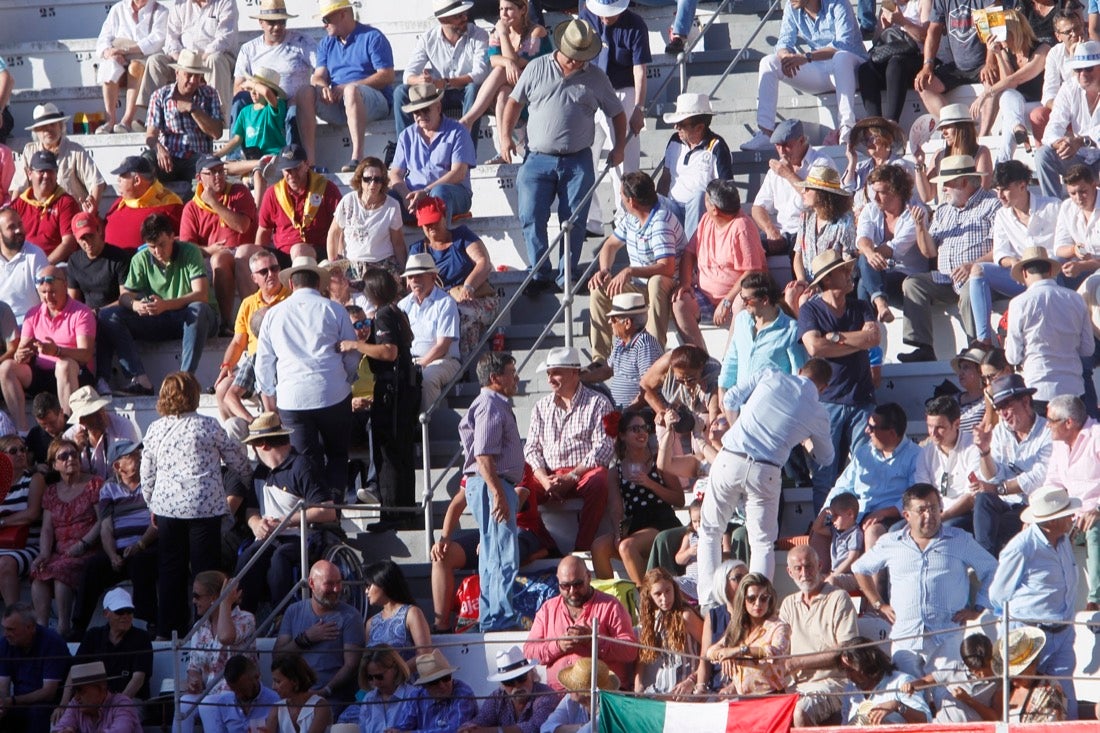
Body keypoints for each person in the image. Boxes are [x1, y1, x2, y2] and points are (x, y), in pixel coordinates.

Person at [499, 18, 626, 293]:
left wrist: (619, 148)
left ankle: (565, 274)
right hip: (537, 157)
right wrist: (504, 136)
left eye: (584, 56)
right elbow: (513, 101)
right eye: (575, 56)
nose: (579, 61)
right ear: (563, 48)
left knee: (575, 220)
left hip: (578, 159)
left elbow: (617, 113)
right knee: (531, 214)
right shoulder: (536, 67)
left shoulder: (596, 77)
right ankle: (539, 271)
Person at [700, 360, 833, 600]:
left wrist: (740, 425)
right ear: (824, 388)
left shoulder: (769, 373)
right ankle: (757, 606)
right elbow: (826, 457)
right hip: (767, 470)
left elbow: (729, 400)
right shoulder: (818, 412)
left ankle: (709, 603)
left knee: (710, 530)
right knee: (762, 543)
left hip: (731, 457)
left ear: (800, 370)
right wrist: (805, 440)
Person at [141, 372, 251, 637]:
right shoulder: (209, 425)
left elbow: (147, 473)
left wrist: (152, 504)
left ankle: (169, 631)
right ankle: (208, 628)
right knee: (206, 572)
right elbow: (237, 460)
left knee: (170, 571)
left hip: (168, 510)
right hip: (205, 509)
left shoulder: (155, 429)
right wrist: (248, 478)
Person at [852, 483, 997, 678]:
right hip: (906, 638)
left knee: (947, 698)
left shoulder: (960, 540)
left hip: (948, 637)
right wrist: (879, 604)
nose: (929, 515)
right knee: (908, 699)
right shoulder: (891, 543)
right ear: (906, 515)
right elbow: (860, 569)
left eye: (933, 508)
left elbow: (993, 569)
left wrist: (979, 608)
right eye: (921, 510)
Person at [255, 255, 359, 502]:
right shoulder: (334, 309)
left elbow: (264, 364)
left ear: (291, 284)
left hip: (292, 398)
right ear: (318, 283)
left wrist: (270, 394)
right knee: (337, 455)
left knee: (306, 460)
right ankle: (333, 507)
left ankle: (317, 515)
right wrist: (347, 378)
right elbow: (351, 353)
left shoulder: (273, 314)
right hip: (333, 391)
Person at [96, 213, 219, 395]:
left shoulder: (190, 252)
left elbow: (201, 295)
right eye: (152, 247)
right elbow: (124, 296)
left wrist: (166, 305)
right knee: (108, 316)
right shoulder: (141, 258)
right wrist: (135, 305)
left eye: (162, 245)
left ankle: (184, 380)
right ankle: (139, 378)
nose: (158, 252)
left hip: (194, 319)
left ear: (172, 237)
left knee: (197, 310)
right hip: (160, 316)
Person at [796, 251, 879, 512]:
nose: (850, 274)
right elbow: (814, 347)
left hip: (860, 401)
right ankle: (824, 531)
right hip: (826, 404)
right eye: (844, 271)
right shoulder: (810, 309)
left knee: (867, 471)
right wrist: (856, 341)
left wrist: (832, 337)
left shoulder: (862, 306)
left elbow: (873, 339)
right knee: (824, 477)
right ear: (829, 278)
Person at [990, 484, 1080, 717]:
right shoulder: (1021, 548)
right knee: (1023, 700)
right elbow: (998, 595)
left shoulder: (1062, 540)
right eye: (1066, 514)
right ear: (1050, 521)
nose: (1072, 517)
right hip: (1029, 637)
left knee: (1066, 695)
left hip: (1062, 632)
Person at [900, 154, 1001, 361]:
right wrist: (920, 226)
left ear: (963, 182)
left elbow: (1001, 249)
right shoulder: (944, 210)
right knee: (913, 284)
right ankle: (923, 348)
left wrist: (973, 265)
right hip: (946, 278)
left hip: (980, 277)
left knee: (970, 289)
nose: (943, 189)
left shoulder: (992, 205)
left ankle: (977, 346)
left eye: (946, 183)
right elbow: (930, 252)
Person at [235, 412, 337, 613]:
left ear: (263, 444)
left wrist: (287, 521)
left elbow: (328, 511)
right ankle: (243, 613)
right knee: (248, 555)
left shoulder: (302, 466)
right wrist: (256, 523)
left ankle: (282, 614)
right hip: (269, 537)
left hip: (302, 537)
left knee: (279, 558)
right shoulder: (260, 473)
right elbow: (251, 510)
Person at [339, 268, 418, 526]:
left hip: (392, 390)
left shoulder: (384, 314)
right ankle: (404, 512)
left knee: (389, 453)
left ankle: (392, 515)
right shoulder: (397, 311)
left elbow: (389, 351)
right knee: (402, 452)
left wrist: (355, 345)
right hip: (405, 388)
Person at [455, 351, 527, 631]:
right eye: (512, 372)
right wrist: (497, 493)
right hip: (492, 483)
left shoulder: (491, 403)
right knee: (501, 552)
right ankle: (500, 617)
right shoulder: (491, 405)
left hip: (490, 484)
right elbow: (483, 455)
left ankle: (492, 616)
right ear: (496, 378)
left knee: (492, 553)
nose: (516, 377)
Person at [741, 0, 865, 150]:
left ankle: (847, 127)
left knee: (841, 57)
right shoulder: (791, 7)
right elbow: (783, 43)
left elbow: (843, 44)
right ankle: (766, 132)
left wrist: (806, 57)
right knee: (769, 62)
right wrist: (786, 57)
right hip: (820, 68)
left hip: (853, 69)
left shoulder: (838, 3)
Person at [524, 347, 614, 552]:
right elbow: (531, 449)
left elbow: (604, 448)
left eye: (555, 373)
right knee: (520, 489)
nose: (550, 379)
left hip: (581, 473)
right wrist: (545, 480)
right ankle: (546, 546)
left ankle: (582, 548)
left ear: (575, 373)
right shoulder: (541, 406)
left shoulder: (598, 402)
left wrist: (572, 476)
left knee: (599, 479)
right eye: (548, 373)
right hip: (549, 475)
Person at [588, 171, 683, 361]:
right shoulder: (632, 218)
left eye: (622, 195)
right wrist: (605, 270)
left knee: (656, 282)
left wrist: (630, 271)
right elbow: (610, 245)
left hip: (669, 286)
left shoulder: (660, 222)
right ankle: (600, 360)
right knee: (599, 290)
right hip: (640, 285)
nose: (621, 199)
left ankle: (652, 356)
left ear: (631, 201)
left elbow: (667, 267)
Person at [969, 161, 1060, 347]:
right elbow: (1000, 253)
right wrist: (1014, 263)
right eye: (997, 190)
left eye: (1004, 190)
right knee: (977, 271)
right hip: (1020, 275)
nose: (999, 196)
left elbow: (1065, 245)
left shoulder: (1053, 207)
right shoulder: (1002, 215)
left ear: (1022, 186)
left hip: (1053, 275)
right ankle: (983, 340)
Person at [577, 0, 650, 229]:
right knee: (584, 155)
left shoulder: (636, 24)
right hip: (590, 88)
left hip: (621, 90)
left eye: (609, 14)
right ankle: (592, 217)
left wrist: (638, 107)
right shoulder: (586, 16)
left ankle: (625, 212)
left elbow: (640, 70)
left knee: (625, 158)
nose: (605, 18)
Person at [70, 441, 156, 635]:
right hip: (119, 549)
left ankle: (149, 622)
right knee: (93, 567)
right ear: (118, 466)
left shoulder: (152, 482)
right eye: (132, 456)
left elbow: (156, 521)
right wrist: (111, 555)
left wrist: (140, 545)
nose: (140, 457)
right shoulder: (109, 488)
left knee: (141, 562)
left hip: (146, 545)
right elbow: (106, 525)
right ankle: (78, 626)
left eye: (138, 453)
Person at [591, 408, 684, 587]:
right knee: (599, 546)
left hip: (661, 523)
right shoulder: (615, 471)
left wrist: (650, 484)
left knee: (627, 547)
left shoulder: (658, 461)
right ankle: (611, 601)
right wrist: (618, 532)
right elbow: (616, 508)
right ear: (623, 435)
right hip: (635, 525)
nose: (642, 433)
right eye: (635, 429)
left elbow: (679, 499)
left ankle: (645, 602)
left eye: (644, 428)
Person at [815, 402, 920, 555]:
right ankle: (824, 579)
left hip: (892, 517)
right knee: (818, 533)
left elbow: (915, 498)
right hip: (857, 514)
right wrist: (827, 512)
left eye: (872, 428)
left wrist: (885, 512)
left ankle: (873, 580)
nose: (866, 431)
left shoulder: (916, 456)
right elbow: (843, 486)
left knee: (872, 532)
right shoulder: (863, 453)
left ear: (891, 433)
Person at [0, 265, 95, 434]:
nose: (48, 297)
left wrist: (57, 351)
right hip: (42, 373)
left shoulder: (82, 313)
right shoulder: (33, 314)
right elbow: (23, 348)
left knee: (64, 365)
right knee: (6, 368)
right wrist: (21, 355)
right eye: (43, 293)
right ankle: (22, 431)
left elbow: (85, 353)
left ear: (65, 286)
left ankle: (68, 429)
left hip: (74, 374)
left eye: (52, 292)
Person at [672, 179, 765, 350]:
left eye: (706, 199)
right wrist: (685, 283)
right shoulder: (706, 220)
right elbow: (689, 253)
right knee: (680, 302)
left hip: (735, 296)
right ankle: (701, 360)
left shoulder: (742, 226)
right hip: (706, 295)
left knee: (741, 304)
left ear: (714, 208)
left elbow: (752, 271)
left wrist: (727, 302)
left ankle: (730, 362)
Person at [523, 556, 638, 690]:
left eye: (577, 584)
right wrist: (558, 646)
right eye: (565, 586)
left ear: (588, 577)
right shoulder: (548, 609)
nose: (572, 592)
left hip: (601, 694)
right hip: (557, 695)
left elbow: (630, 651)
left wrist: (594, 641)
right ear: (558, 582)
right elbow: (529, 652)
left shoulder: (611, 606)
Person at [972, 373, 1053, 555]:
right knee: (983, 501)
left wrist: (998, 489)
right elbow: (992, 476)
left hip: (1033, 506)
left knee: (995, 524)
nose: (1002, 413)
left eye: (1006, 405)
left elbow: (1038, 477)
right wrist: (984, 451)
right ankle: (985, 564)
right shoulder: (1001, 431)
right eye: (998, 408)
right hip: (1005, 505)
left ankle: (987, 565)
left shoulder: (1048, 431)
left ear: (1025, 402)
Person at [29, 438, 103, 639]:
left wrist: (83, 544)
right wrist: (44, 553)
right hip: (60, 552)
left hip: (88, 550)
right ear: (54, 464)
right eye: (64, 456)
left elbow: (102, 520)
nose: (71, 458)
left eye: (74, 454)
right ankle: (42, 629)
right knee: (39, 573)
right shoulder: (51, 492)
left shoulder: (94, 484)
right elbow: (46, 529)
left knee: (60, 573)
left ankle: (63, 628)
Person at [778, 546, 859, 727]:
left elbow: (845, 650)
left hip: (832, 682)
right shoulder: (788, 604)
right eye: (798, 568)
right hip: (795, 684)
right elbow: (778, 647)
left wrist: (796, 663)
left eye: (809, 566)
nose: (804, 573)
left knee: (800, 712)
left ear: (820, 566)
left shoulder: (838, 598)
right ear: (789, 572)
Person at [458, 0, 550, 160]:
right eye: (501, 9)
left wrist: (504, 35)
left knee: (502, 69)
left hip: (537, 89)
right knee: (502, 93)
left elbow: (517, 62)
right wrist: (507, 62)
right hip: (514, 91)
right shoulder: (497, 31)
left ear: (522, 10)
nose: (503, 14)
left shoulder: (536, 32)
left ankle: (469, 118)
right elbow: (493, 59)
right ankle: (504, 148)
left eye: (509, 9)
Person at [408, 196, 498, 358]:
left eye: (435, 221)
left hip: (473, 298)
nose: (431, 227)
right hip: (438, 304)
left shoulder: (462, 236)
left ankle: (459, 364)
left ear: (444, 217)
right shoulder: (418, 249)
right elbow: (411, 281)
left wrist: (468, 286)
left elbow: (483, 263)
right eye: (427, 224)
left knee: (459, 315)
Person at [311, 0, 395, 171]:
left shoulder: (372, 36)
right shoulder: (326, 43)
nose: (324, 25)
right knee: (305, 93)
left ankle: (357, 156)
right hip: (339, 102)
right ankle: (309, 163)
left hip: (373, 102)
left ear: (342, 14)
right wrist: (323, 86)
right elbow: (318, 76)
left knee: (351, 90)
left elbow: (387, 75)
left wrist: (348, 87)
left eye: (326, 19)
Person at [231, 0, 319, 163]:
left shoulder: (302, 42)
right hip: (260, 104)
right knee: (238, 101)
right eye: (272, 22)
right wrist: (259, 101)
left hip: (293, 102)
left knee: (292, 112)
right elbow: (238, 86)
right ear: (261, 23)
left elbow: (320, 70)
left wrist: (300, 96)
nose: (277, 27)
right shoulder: (249, 49)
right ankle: (236, 157)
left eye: (282, 21)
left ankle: (294, 161)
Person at [179, 155, 260, 328]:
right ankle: (226, 323)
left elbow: (241, 226)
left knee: (229, 257)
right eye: (212, 172)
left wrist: (215, 204)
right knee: (218, 259)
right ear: (199, 178)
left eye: (220, 171)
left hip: (244, 252)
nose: (218, 176)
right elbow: (186, 245)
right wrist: (208, 250)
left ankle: (252, 320)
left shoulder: (239, 192)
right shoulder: (192, 208)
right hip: (213, 257)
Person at [1006, 246, 1094, 404]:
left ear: (1025, 273)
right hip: (1073, 388)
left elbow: (1013, 356)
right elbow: (1088, 349)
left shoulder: (1018, 303)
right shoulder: (1075, 299)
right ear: (1049, 271)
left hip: (1038, 387)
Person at [395, 0, 489, 144]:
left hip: (465, 92)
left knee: (473, 89)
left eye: (465, 14)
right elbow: (408, 75)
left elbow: (480, 74)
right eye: (458, 16)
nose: (465, 18)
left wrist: (445, 82)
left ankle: (467, 152)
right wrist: (420, 80)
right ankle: (406, 150)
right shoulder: (428, 38)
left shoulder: (479, 34)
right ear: (442, 20)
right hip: (438, 94)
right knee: (401, 92)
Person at [214, 249, 290, 423]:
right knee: (222, 389)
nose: (271, 274)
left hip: (283, 361)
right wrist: (227, 365)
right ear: (254, 278)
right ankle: (239, 441)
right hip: (255, 362)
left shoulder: (290, 298)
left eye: (275, 268)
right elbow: (238, 342)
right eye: (264, 271)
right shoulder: (248, 304)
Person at [275, 560, 366, 704]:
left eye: (339, 582)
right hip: (295, 698)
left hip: (333, 699)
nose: (337, 589)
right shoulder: (294, 611)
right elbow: (278, 657)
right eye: (329, 584)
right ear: (311, 583)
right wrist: (305, 639)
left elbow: (351, 665)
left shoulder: (351, 616)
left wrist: (324, 691)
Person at [1043, 396, 1100, 616]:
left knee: (1095, 529)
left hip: (1095, 512)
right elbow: (1052, 482)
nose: (1047, 424)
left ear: (1069, 423)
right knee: (1038, 532)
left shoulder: (1096, 437)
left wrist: (1097, 508)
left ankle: (1095, 599)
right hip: (1072, 516)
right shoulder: (1058, 445)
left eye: (1051, 420)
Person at [390, 85, 476, 230]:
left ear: (438, 107)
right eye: (417, 111)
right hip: (413, 199)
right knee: (386, 198)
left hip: (451, 193)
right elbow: (395, 173)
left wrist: (426, 191)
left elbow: (459, 173)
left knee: (439, 194)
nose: (421, 115)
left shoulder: (458, 132)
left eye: (426, 109)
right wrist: (406, 196)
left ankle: (440, 246)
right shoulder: (406, 135)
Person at [134, 0, 238, 119]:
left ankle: (218, 118)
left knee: (215, 60)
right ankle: (150, 117)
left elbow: (224, 39)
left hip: (215, 57)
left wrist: (198, 61)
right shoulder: (180, 4)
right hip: (184, 58)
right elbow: (171, 39)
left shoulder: (225, 2)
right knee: (155, 61)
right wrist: (183, 61)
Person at [854, 164, 928, 323]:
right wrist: (869, 252)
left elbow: (895, 248)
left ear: (896, 191)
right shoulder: (870, 209)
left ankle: (867, 332)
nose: (875, 197)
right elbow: (862, 238)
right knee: (864, 263)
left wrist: (869, 254)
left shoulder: (915, 213)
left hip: (909, 277)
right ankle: (879, 307)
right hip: (881, 274)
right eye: (874, 192)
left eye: (881, 192)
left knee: (864, 277)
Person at [976, 9, 1049, 160]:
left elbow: (1016, 79)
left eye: (1002, 33)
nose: (1000, 39)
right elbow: (1008, 86)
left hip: (1041, 108)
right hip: (1018, 112)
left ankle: (1003, 163)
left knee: (1009, 114)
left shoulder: (1042, 49)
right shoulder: (1006, 52)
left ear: (1016, 31)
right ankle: (1016, 132)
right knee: (1008, 96)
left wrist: (985, 94)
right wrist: (998, 54)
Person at [657, 94, 734, 238]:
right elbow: (665, 177)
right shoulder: (674, 141)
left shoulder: (717, 147)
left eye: (681, 124)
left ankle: (691, 249)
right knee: (651, 199)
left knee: (700, 196)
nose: (676, 127)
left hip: (703, 214)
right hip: (673, 207)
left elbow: (727, 191)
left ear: (699, 128)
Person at [144, 49, 225, 182]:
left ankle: (190, 202)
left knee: (206, 172)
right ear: (177, 73)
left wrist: (193, 109)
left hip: (198, 158)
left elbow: (217, 133)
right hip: (169, 157)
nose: (193, 81)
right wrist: (159, 149)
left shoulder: (210, 94)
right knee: (145, 160)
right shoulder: (160, 96)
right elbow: (150, 135)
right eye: (188, 75)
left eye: (197, 76)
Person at [718, 271, 805, 392]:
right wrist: (722, 388)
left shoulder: (791, 330)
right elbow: (732, 358)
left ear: (764, 300)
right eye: (742, 297)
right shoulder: (741, 320)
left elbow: (799, 375)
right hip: (741, 405)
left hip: (773, 406)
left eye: (747, 299)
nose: (743, 303)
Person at [704, 573, 790, 696]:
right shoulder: (737, 626)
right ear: (743, 599)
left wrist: (739, 651)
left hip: (771, 696)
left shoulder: (779, 626)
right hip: (743, 699)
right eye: (751, 598)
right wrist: (725, 655)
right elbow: (710, 652)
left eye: (764, 598)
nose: (758, 604)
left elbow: (775, 653)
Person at [396, 252, 461, 414]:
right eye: (410, 277)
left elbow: (442, 346)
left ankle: (427, 431)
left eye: (419, 276)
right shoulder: (402, 305)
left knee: (426, 379)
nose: (414, 280)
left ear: (433, 276)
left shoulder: (446, 303)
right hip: (411, 361)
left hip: (444, 361)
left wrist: (420, 364)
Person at [256, 144, 342, 265]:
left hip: (318, 253)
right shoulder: (273, 193)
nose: (291, 174)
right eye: (287, 170)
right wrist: (258, 259)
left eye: (296, 168)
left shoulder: (326, 189)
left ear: (306, 165)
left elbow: (341, 227)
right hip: (283, 255)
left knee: (299, 250)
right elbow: (263, 231)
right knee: (246, 253)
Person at [787, 164, 856, 313]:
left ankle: (808, 334)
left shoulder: (845, 222)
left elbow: (848, 264)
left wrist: (822, 284)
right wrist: (802, 281)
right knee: (790, 295)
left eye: (808, 189)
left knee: (804, 300)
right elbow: (798, 254)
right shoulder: (805, 217)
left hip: (833, 283)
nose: (803, 192)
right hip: (808, 281)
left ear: (822, 194)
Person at [10, 104, 105, 213]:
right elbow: (18, 187)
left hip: (72, 216)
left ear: (61, 126)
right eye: (43, 127)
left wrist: (90, 212)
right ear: (36, 131)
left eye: (52, 125)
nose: (48, 130)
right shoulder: (29, 151)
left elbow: (97, 182)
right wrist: (13, 215)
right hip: (39, 217)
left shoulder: (75, 151)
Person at [1036, 40, 1100, 198]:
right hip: (1079, 158)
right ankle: (1053, 207)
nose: (1083, 74)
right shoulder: (1069, 87)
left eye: (1089, 68)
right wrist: (1061, 143)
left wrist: (1080, 141)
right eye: (1078, 69)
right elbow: (1052, 128)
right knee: (1043, 154)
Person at [70, 588, 154, 705]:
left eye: (129, 611)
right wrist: (63, 704)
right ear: (106, 613)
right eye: (119, 612)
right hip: (93, 700)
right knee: (62, 719)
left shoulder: (142, 638)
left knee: (123, 718)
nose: (125, 616)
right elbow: (75, 671)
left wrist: (115, 707)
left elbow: (138, 679)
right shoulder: (93, 635)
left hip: (129, 700)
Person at [326, 157, 406, 280]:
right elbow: (333, 233)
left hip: (382, 266)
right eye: (367, 179)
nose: (372, 184)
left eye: (377, 180)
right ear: (360, 180)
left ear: (383, 181)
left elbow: (398, 243)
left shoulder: (392, 205)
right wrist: (333, 265)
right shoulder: (348, 201)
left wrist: (403, 271)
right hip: (351, 265)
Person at [857, 0, 931, 126]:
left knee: (896, 64)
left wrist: (903, 22)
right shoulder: (888, 3)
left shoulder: (923, 2)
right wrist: (883, 27)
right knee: (865, 69)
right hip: (891, 57)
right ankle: (875, 126)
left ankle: (891, 124)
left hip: (916, 58)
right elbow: (876, 43)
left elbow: (926, 37)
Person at [97, 0, 168, 131]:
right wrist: (110, 53)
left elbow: (157, 40)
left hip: (143, 56)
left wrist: (126, 50)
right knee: (109, 65)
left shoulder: (161, 11)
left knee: (135, 67)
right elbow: (104, 37)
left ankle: (127, 120)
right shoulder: (118, 9)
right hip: (119, 55)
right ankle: (110, 120)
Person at [0, 602, 70, 733]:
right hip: (19, 704)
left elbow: (48, 693)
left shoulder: (52, 642)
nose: (6, 634)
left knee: (37, 712)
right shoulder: (5, 644)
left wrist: (12, 701)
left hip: (50, 705)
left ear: (30, 628)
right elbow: (3, 687)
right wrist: (2, 705)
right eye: (5, 628)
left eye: (11, 629)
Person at [584, 293, 662, 407]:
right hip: (620, 410)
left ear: (627, 323)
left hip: (640, 414)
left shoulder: (644, 345)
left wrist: (628, 412)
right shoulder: (620, 343)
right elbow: (607, 370)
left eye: (614, 319)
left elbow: (649, 387)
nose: (610, 322)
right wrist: (580, 380)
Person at [915, 395, 981, 531]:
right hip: (933, 513)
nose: (933, 433)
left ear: (956, 424)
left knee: (946, 528)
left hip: (963, 514)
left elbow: (971, 497)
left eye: (940, 427)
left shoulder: (973, 448)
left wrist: (942, 517)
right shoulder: (926, 452)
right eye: (929, 426)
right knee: (897, 530)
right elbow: (923, 490)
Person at [634, 567, 701, 695]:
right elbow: (642, 655)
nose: (664, 599)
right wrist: (638, 683)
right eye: (658, 594)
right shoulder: (652, 619)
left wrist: (693, 679)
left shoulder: (685, 616)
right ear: (649, 595)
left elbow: (707, 651)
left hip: (686, 687)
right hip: (662, 685)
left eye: (667, 591)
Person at [460, 646, 559, 733]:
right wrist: (468, 728)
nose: (517, 686)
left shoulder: (546, 695)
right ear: (502, 684)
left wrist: (492, 731)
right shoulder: (497, 698)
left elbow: (536, 728)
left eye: (521, 678)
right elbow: (482, 719)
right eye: (509, 682)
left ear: (532, 674)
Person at [838, 637, 931, 725]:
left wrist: (896, 706)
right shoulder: (851, 688)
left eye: (851, 670)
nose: (848, 676)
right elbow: (845, 725)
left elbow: (925, 721)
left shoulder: (901, 682)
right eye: (845, 670)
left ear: (867, 664)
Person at [913, 105, 994, 204]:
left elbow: (981, 192)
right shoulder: (939, 155)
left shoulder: (981, 152)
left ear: (962, 127)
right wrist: (919, 164)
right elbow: (927, 196)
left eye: (947, 127)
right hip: (944, 216)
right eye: (942, 128)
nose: (943, 133)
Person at [10, 151, 79, 264]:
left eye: (50, 171)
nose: (46, 175)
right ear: (29, 173)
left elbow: (69, 243)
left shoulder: (66, 202)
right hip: (22, 264)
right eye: (41, 171)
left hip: (55, 267)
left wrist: (43, 265)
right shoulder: (19, 204)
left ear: (56, 174)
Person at [101, 156, 182, 251]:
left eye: (122, 176)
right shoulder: (120, 202)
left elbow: (183, 239)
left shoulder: (169, 206)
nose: (118, 180)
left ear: (137, 180)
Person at [0, 436, 44, 608]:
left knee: (5, 563)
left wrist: (3, 522)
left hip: (27, 545)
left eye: (22, 449)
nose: (20, 454)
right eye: (13, 451)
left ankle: (14, 615)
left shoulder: (34, 479)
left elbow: (32, 513)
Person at [691, 560, 748, 694]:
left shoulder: (754, 613)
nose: (745, 582)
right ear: (723, 583)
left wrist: (734, 685)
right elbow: (705, 658)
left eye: (747, 577)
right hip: (717, 686)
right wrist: (700, 687)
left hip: (744, 685)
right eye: (738, 578)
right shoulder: (714, 616)